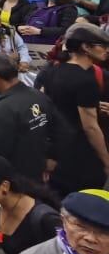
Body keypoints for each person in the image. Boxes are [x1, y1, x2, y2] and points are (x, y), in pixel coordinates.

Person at [39, 24, 109, 196]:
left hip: (56, 149)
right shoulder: (86, 80)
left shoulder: (53, 70)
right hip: (81, 155)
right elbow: (90, 127)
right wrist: (107, 161)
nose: (107, 50)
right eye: (102, 45)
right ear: (86, 47)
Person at [0, 52, 57, 183]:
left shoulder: (4, 108)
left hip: (15, 180)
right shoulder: (39, 96)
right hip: (39, 175)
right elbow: (58, 131)